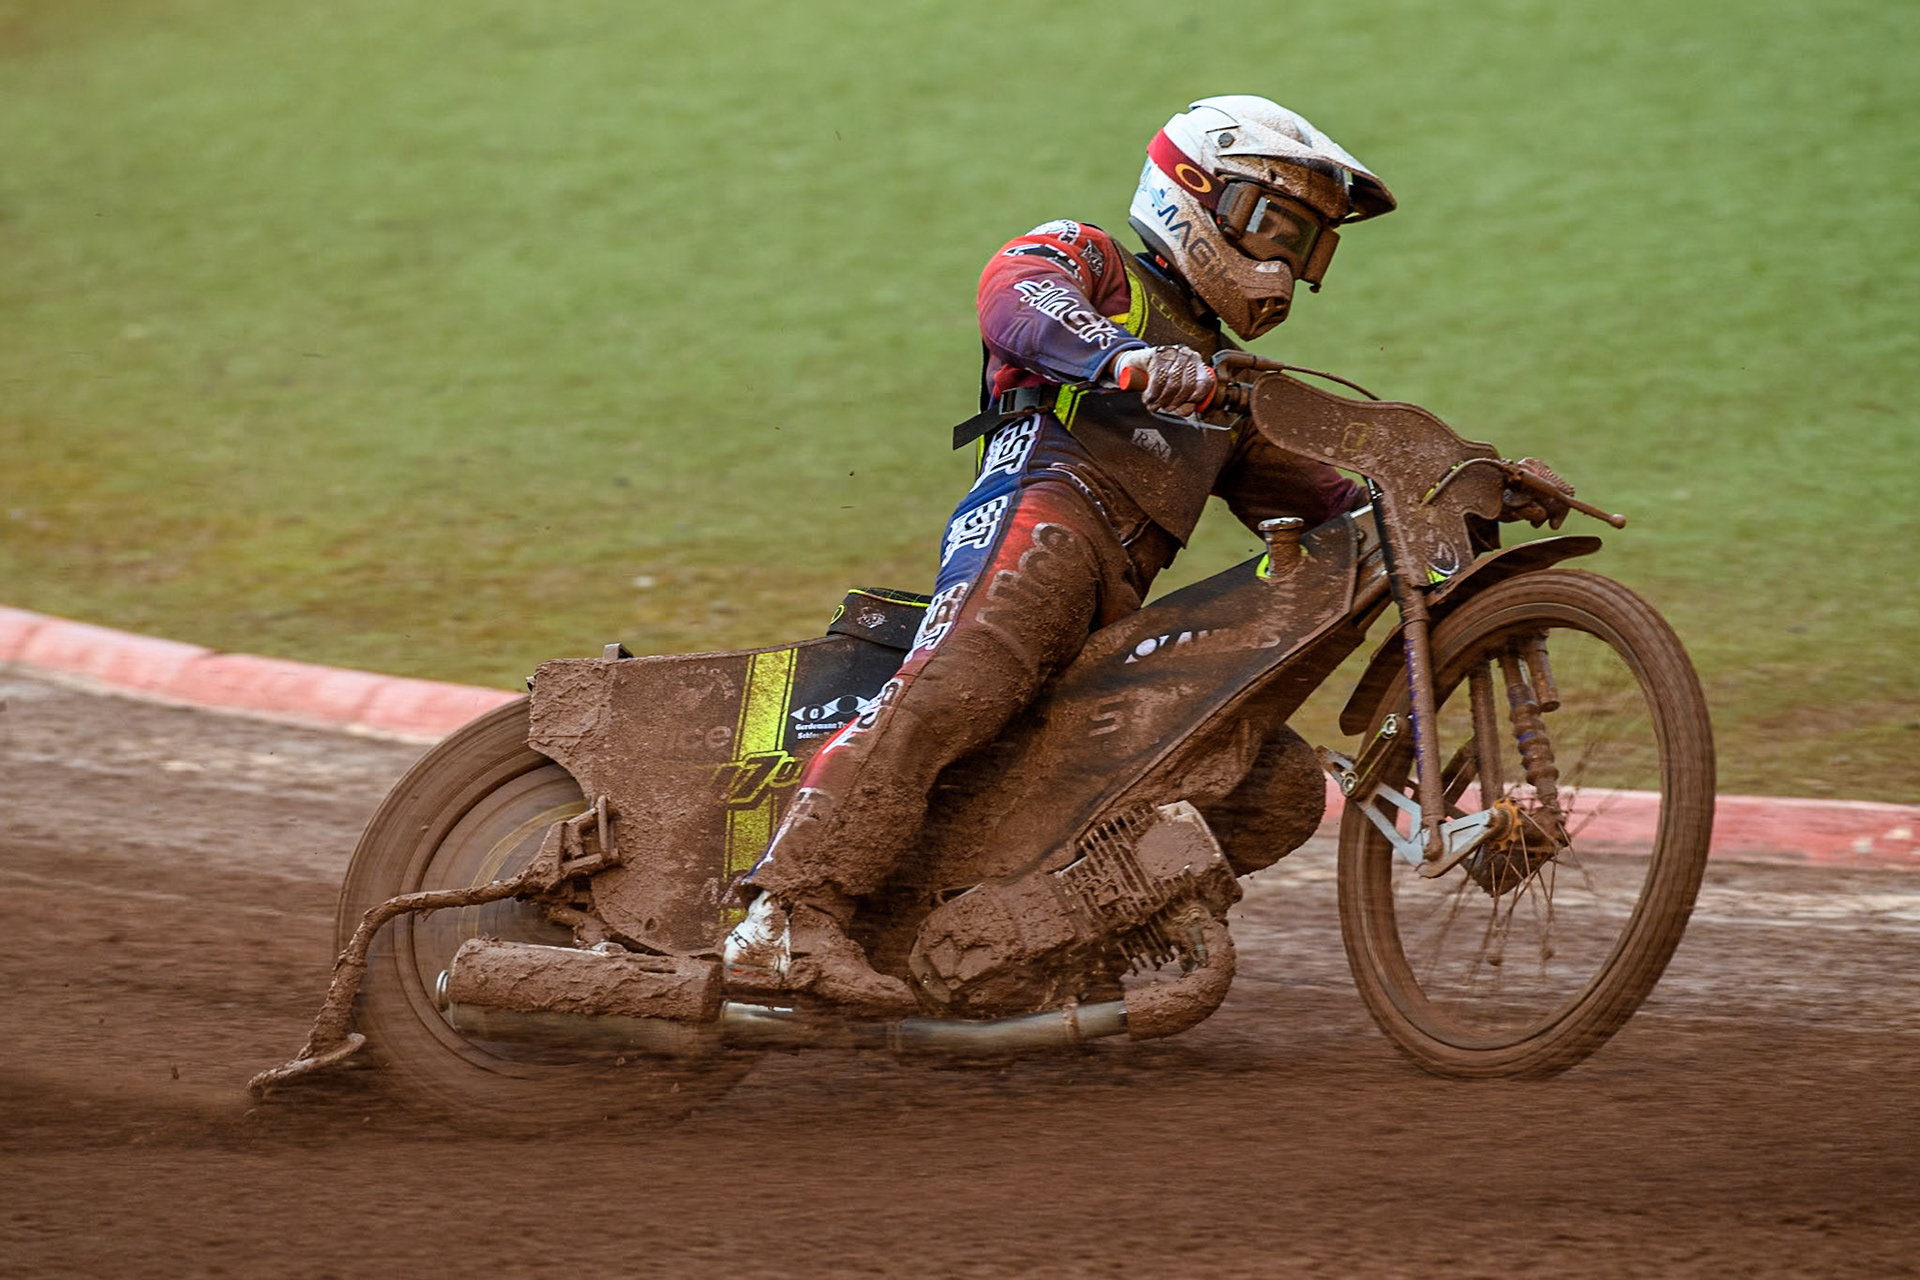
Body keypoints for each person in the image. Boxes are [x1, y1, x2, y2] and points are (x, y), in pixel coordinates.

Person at [723, 95, 1397, 1011]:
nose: (1280, 263)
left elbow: (1329, 503)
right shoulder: (1093, 258)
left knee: (1270, 782)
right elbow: (1015, 295)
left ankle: (1041, 938)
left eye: (1305, 246)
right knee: (962, 683)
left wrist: (1450, 501)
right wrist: (1122, 357)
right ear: (1194, 191)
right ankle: (781, 917)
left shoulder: (1228, 387)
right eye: (1272, 226)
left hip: (1120, 604)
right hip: (1042, 515)